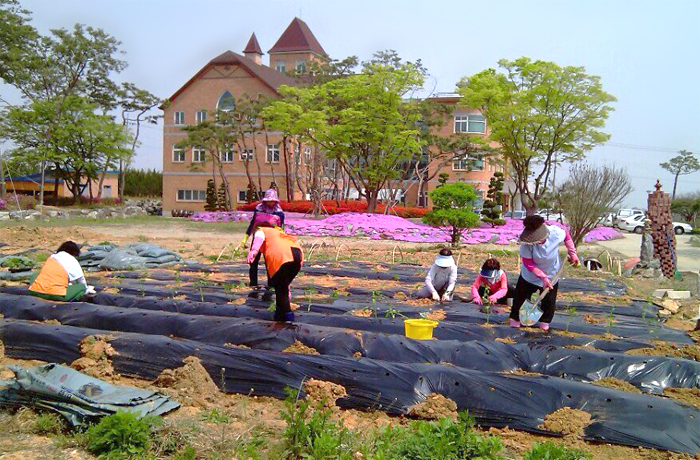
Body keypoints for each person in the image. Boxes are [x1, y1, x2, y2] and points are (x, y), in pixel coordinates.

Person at [509, 216, 580, 331]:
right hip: (530, 275)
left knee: (549, 301)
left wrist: (572, 253)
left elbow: (566, 236)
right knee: (520, 298)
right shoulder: (527, 243)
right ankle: (515, 320)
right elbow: (528, 263)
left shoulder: (555, 232)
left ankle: (544, 323)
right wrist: (542, 277)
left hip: (552, 273)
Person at [246, 221, 303, 322]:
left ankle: (288, 321)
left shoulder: (262, 230)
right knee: (283, 288)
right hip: (297, 254)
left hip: (282, 255)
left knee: (281, 291)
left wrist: (254, 251)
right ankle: (280, 317)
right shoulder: (279, 233)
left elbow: (259, 237)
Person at [243, 188, 286, 287]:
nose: (270, 203)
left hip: (270, 239)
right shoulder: (259, 209)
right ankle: (253, 283)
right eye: (268, 201)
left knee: (269, 262)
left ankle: (270, 284)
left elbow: (281, 227)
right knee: (253, 261)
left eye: (272, 201)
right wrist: (245, 238)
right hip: (257, 237)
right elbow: (253, 223)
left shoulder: (279, 212)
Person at [28, 241, 95, 302]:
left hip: (35, 291)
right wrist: (87, 289)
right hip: (55, 293)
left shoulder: (52, 257)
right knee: (81, 287)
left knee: (37, 274)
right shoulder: (72, 260)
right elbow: (81, 280)